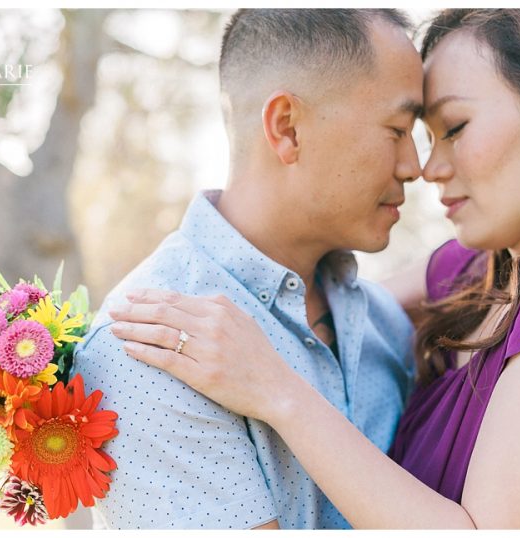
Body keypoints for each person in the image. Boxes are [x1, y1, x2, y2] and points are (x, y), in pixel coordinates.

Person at [110, 9, 520, 529]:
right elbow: (333, 318)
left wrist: (280, 391)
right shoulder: (472, 277)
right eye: (408, 132)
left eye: (456, 127)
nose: (427, 168)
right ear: (287, 128)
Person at [71, 9, 424, 529]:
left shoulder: (384, 329)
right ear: (287, 128)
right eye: (397, 129)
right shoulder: (145, 351)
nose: (414, 166)